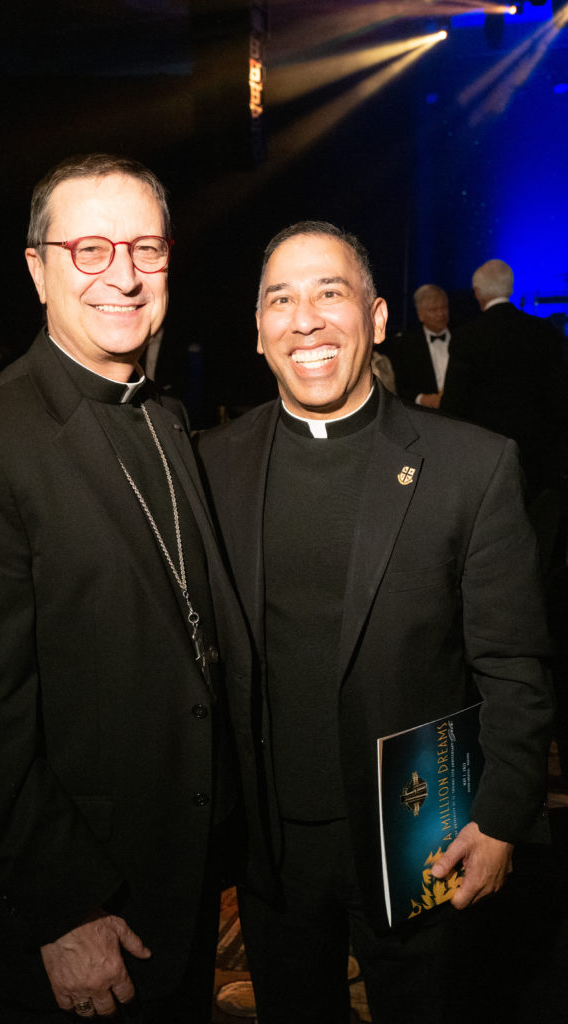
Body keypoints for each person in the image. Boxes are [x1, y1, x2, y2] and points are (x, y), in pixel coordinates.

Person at [0, 154, 256, 1024]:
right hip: (82, 910)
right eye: (90, 249)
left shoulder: (166, 417)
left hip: (177, 888)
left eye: (145, 249)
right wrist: (63, 908)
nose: (125, 278)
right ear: (37, 268)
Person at [197, 222, 554, 1024]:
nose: (306, 319)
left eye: (331, 293)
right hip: (270, 851)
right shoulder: (209, 464)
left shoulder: (472, 464)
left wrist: (500, 821)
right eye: (280, 300)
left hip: (418, 836)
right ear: (258, 331)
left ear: (378, 317)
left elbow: (513, 666)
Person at [441, 258, 567, 501]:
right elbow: (559, 398)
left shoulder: (467, 336)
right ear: (510, 287)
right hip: (537, 454)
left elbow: (455, 404)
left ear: (478, 293)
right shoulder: (544, 332)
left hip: (484, 455)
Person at [389, 283, 452, 407]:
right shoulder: (405, 345)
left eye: (444, 307)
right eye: (433, 310)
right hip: (423, 413)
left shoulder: (463, 337)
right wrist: (422, 398)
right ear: (420, 314)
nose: (441, 314)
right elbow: (401, 387)